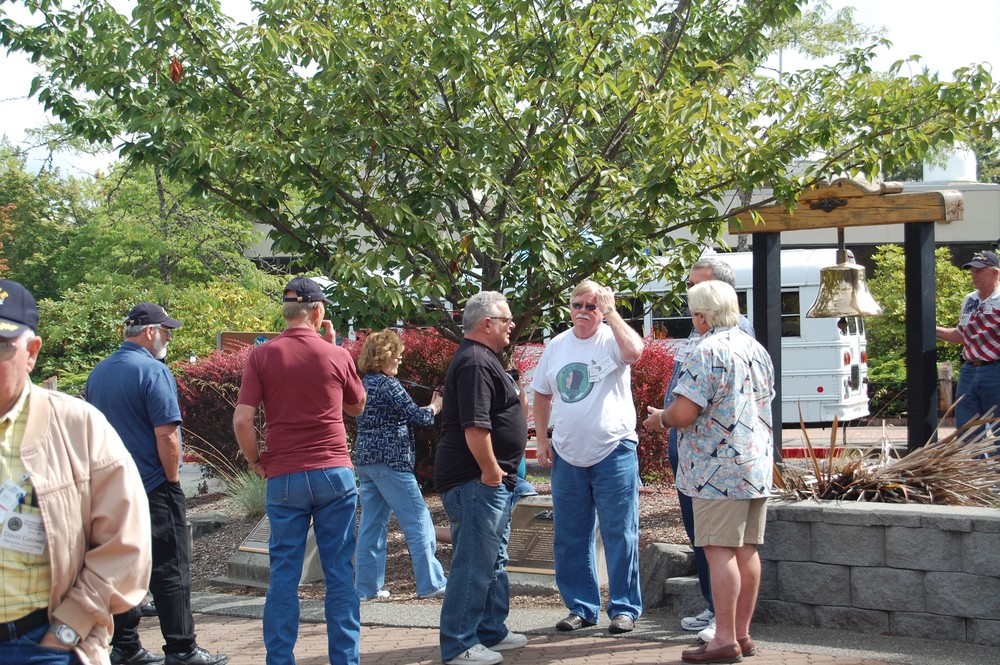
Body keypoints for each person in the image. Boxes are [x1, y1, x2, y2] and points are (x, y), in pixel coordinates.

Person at [0, 280, 151, 665]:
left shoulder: (77, 426)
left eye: (1, 346)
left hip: (40, 645)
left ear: (32, 352)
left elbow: (125, 542)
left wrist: (70, 628)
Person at [232, 277, 367, 665]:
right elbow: (356, 406)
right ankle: (345, 659)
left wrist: (256, 460)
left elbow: (242, 420)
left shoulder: (262, 356)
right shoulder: (335, 355)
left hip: (285, 473)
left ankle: (279, 659)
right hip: (333, 471)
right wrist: (334, 348)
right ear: (318, 312)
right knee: (339, 573)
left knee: (284, 575)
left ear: (286, 311)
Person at [86, 303, 229, 665]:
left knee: (121, 565)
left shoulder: (99, 372)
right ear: (150, 331)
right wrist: (172, 480)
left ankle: (125, 645)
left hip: (108, 486)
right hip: (152, 484)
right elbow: (167, 434)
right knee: (171, 568)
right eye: (166, 331)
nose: (168, 338)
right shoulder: (153, 370)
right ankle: (182, 648)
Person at [647, 280, 774, 665]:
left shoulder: (706, 350)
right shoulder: (755, 348)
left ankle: (723, 638)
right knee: (747, 550)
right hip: (754, 465)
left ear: (702, 316)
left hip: (715, 469)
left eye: (693, 314)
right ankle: (742, 634)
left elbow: (685, 412)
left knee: (719, 552)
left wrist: (661, 418)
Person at [532, 280, 645, 635]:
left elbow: (635, 352)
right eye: (577, 305)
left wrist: (611, 312)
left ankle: (624, 608)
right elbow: (541, 393)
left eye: (591, 306)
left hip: (614, 451)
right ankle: (581, 607)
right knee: (570, 535)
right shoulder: (556, 345)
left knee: (620, 533)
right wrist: (542, 439)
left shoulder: (612, 339)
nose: (583, 311)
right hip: (567, 455)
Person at [433, 291, 528, 665]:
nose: (512, 325)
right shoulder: (475, 361)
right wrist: (490, 471)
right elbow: (475, 426)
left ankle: (490, 630)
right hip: (476, 480)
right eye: (507, 320)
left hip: (488, 481)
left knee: (492, 560)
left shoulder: (484, 358)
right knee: (473, 563)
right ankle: (459, 643)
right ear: (487, 323)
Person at [353, 330, 446, 600]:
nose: (400, 361)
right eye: (397, 356)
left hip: (366, 461)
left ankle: (366, 588)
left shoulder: (363, 383)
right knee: (418, 520)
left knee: (371, 526)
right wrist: (435, 406)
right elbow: (418, 417)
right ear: (384, 357)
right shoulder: (388, 385)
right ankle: (432, 584)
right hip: (391, 461)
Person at [936, 250, 1000, 437]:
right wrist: (929, 329)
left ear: (995, 272)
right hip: (969, 370)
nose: (974, 275)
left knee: (998, 431)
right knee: (966, 432)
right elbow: (962, 335)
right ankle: (973, 458)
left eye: (979, 271)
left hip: (996, 369)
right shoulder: (969, 299)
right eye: (972, 271)